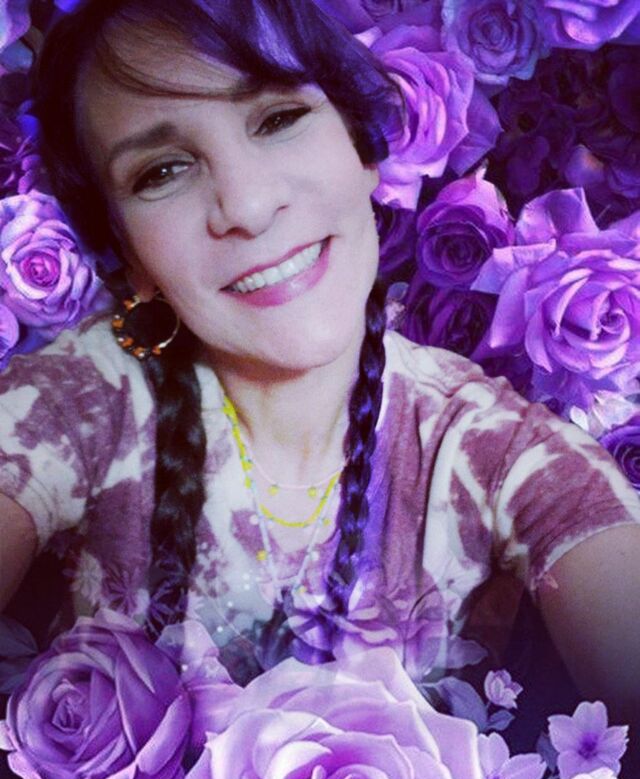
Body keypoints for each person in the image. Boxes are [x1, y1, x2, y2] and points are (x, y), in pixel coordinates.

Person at [1, 0, 640, 723]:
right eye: (163, 171)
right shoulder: (80, 398)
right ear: (127, 254)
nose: (247, 205)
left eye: (278, 119)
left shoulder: (491, 446)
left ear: (364, 151)